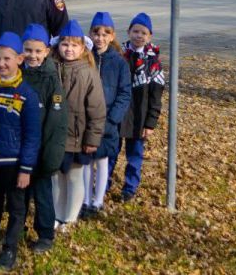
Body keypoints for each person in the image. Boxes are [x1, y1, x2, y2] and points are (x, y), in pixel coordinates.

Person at [0, 32, 41, 270]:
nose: (1, 64)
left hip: (15, 164)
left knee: (16, 208)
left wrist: (26, 168)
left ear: (20, 59)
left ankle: (10, 247)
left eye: (6, 59)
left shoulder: (27, 95)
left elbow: (32, 136)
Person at [52, 20, 105, 229]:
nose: (69, 49)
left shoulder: (88, 73)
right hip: (55, 137)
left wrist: (92, 138)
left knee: (74, 177)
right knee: (56, 178)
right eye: (65, 44)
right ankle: (57, 215)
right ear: (58, 45)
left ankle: (71, 217)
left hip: (78, 136)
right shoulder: (51, 68)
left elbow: (97, 109)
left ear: (82, 48)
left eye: (74, 45)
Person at [19, 23, 67, 253]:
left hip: (40, 151)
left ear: (47, 51)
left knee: (42, 195)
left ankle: (45, 233)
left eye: (38, 51)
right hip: (18, 148)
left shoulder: (51, 79)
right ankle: (16, 228)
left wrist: (48, 154)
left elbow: (55, 121)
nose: (33, 56)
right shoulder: (16, 75)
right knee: (18, 195)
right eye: (28, 50)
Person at [81, 12, 132, 217]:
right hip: (86, 119)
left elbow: (124, 92)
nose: (100, 38)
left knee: (102, 160)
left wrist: (113, 118)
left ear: (112, 36)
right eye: (96, 33)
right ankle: (85, 199)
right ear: (90, 34)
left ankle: (98, 200)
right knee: (85, 161)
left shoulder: (119, 62)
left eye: (105, 34)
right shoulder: (85, 58)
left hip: (108, 121)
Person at [113, 12, 164, 203]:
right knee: (111, 151)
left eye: (143, 32)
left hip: (139, 117)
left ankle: (130, 187)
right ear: (128, 32)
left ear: (149, 36)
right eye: (135, 31)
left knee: (135, 155)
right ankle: (106, 182)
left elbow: (156, 96)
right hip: (119, 112)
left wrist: (150, 122)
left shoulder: (153, 63)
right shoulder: (119, 55)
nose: (138, 36)